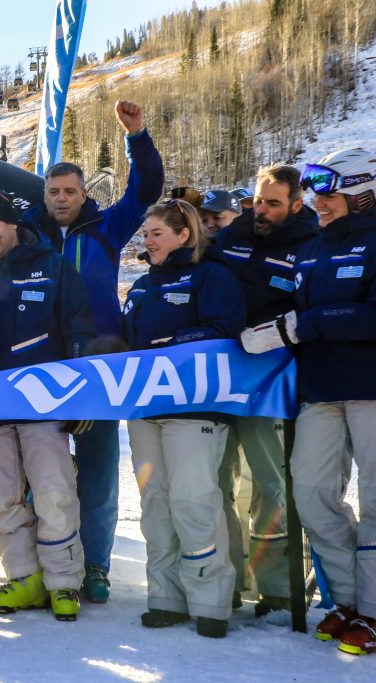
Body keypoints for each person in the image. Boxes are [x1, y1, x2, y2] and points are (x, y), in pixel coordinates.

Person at [21, 100, 164, 603]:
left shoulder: (105, 229)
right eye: (54, 191)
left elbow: (146, 189)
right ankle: (50, 566)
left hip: (99, 370)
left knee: (100, 478)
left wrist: (137, 137)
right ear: (45, 194)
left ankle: (97, 567)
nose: (62, 198)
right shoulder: (27, 236)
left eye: (70, 191)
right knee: (43, 480)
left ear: (84, 194)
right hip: (41, 371)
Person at [243, 148, 376, 655]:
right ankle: (348, 603)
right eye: (316, 193)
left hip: (370, 389)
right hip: (320, 391)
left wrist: (301, 325)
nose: (318, 202)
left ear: (362, 191)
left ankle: (373, 611)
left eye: (329, 193)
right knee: (313, 497)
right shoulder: (312, 250)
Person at [0, 191, 95, 621]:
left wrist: (79, 393)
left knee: (55, 493)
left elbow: (78, 328)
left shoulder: (52, 265)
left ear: (13, 225)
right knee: (0, 497)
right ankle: (24, 576)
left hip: (44, 404)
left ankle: (62, 581)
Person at [122, 199, 244, 639]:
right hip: (145, 409)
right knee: (155, 503)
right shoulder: (139, 286)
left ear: (183, 234)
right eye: (145, 235)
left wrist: (172, 342)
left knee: (193, 500)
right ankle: (166, 597)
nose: (147, 241)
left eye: (156, 233)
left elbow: (225, 330)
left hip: (195, 410)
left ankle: (211, 601)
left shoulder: (212, 276)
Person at [210, 166, 318, 614]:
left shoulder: (309, 245)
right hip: (218, 382)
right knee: (218, 481)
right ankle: (228, 580)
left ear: (296, 205)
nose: (262, 211)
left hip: (271, 385)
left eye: (274, 203)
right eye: (258, 200)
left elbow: (310, 314)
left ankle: (276, 585)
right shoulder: (231, 236)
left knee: (272, 485)